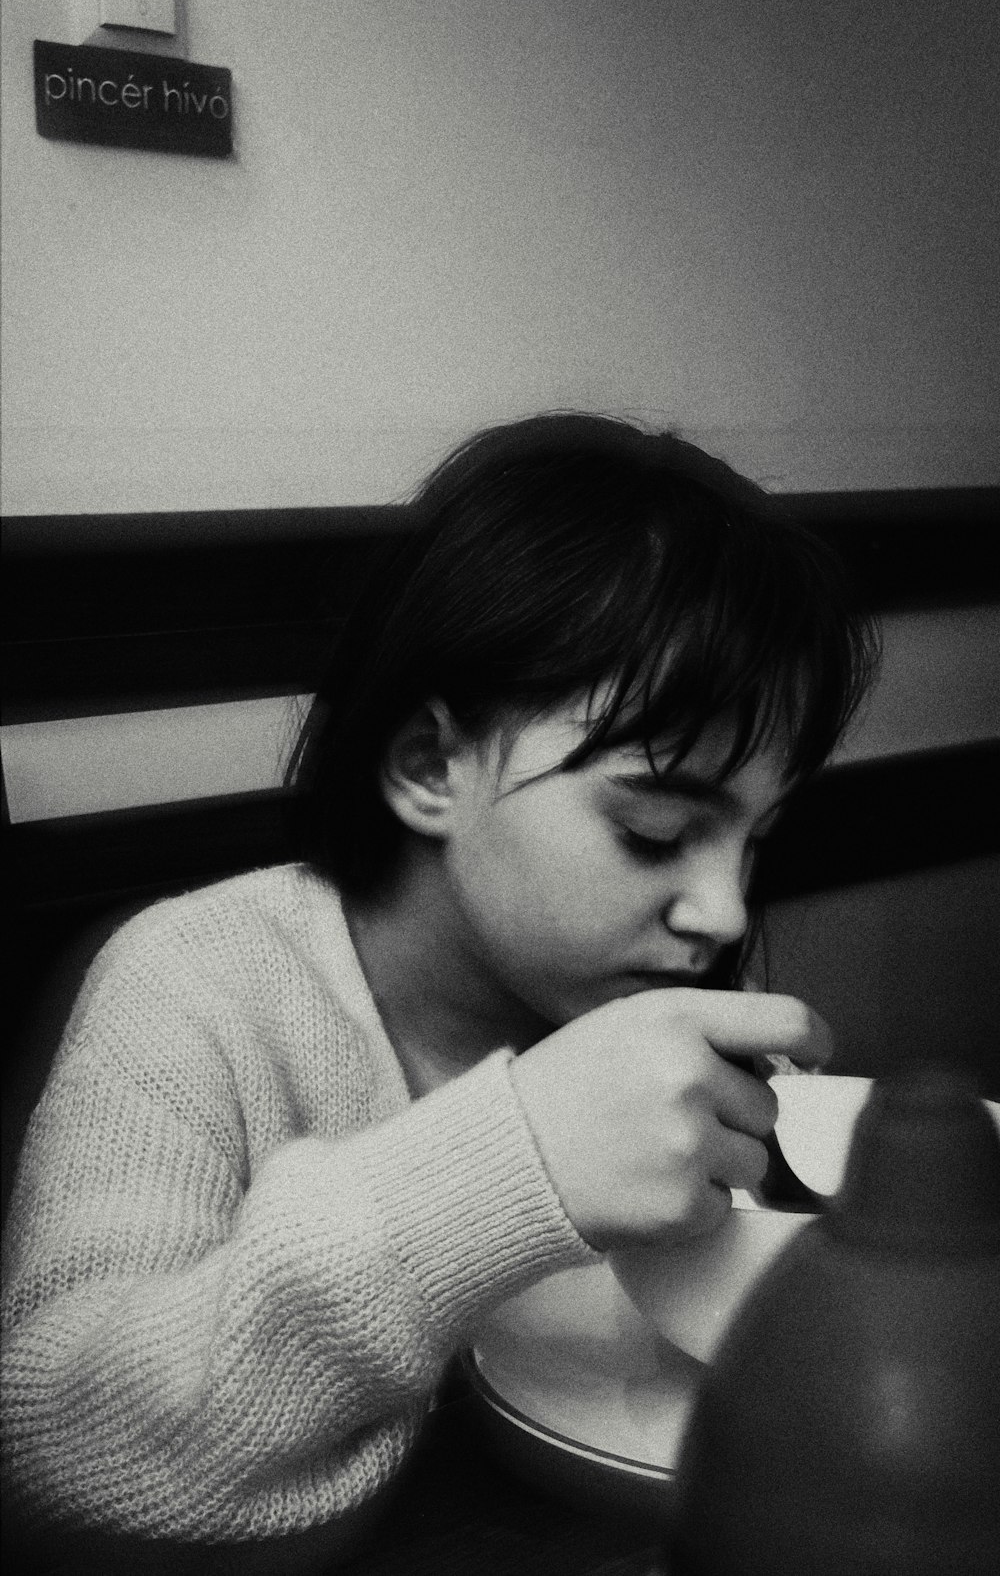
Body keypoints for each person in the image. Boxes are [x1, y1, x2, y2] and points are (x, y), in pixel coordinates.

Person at [1, 413, 878, 1560]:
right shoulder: (198, 990)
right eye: (656, 828)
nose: (723, 912)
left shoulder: (649, 1023)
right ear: (429, 766)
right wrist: (508, 1166)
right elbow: (56, 1451)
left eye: (753, 841)